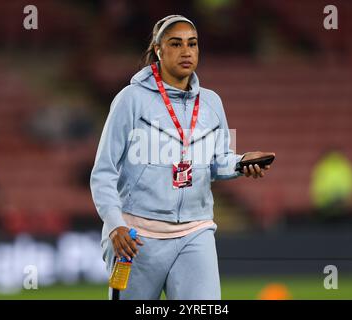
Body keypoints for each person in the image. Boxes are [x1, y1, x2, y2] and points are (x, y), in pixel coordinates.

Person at [90, 14, 275, 300]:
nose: (186, 51)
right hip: (137, 237)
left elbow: (216, 160)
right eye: (176, 44)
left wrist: (240, 163)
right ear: (158, 50)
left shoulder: (212, 103)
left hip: (195, 231)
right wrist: (115, 225)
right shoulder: (131, 99)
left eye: (193, 43)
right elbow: (103, 172)